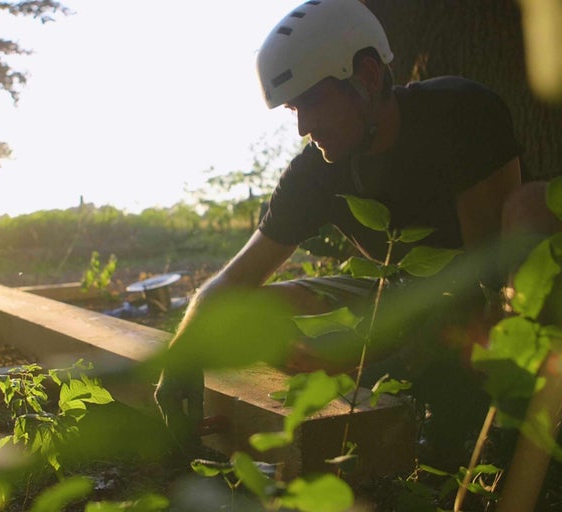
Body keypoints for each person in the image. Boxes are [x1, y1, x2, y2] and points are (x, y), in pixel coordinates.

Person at [154, 0, 525, 452]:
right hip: (398, 293)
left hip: (499, 296)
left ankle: (498, 429)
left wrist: (366, 351)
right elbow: (233, 280)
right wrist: (180, 360)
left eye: (311, 101)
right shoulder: (314, 173)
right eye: (294, 109)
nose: (303, 127)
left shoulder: (458, 114)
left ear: (367, 76)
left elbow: (486, 281)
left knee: (528, 220)